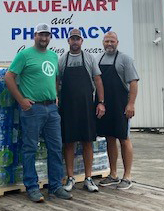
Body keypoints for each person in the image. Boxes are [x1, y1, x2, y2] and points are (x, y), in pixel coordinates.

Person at [4, 23, 72, 202]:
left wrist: (55, 96)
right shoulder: (24, 55)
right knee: (30, 148)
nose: (44, 38)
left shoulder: (52, 56)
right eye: (41, 35)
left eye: (47, 35)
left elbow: (55, 78)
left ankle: (55, 186)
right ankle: (32, 187)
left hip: (51, 109)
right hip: (32, 110)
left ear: (50, 37)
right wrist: (21, 100)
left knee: (56, 148)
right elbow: (9, 76)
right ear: (35, 36)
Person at [58, 29, 106, 193]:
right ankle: (70, 178)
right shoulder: (62, 60)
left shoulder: (89, 58)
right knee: (69, 143)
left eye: (78, 39)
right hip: (68, 107)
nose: (75, 42)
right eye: (72, 39)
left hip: (87, 106)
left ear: (82, 41)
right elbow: (58, 82)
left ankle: (88, 178)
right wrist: (56, 98)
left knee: (87, 142)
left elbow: (98, 80)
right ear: (68, 41)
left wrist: (101, 102)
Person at [96, 32, 139, 190]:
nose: (109, 44)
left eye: (112, 41)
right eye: (106, 41)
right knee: (109, 139)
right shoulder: (99, 59)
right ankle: (113, 174)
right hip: (105, 106)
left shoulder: (125, 59)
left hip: (121, 106)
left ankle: (127, 176)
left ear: (117, 42)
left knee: (124, 138)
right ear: (103, 42)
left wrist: (131, 104)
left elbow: (133, 83)